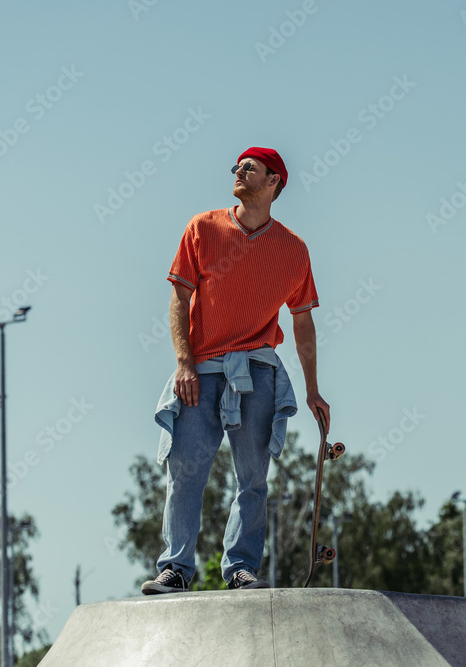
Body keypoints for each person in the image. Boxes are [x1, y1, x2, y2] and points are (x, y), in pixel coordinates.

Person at [142, 146, 330, 594]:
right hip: (200, 372)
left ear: (274, 183)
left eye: (252, 168)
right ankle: (176, 569)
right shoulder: (202, 228)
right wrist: (184, 363)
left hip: (257, 372)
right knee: (185, 472)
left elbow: (302, 321)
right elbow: (179, 299)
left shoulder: (293, 249)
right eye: (238, 166)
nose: (240, 171)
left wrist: (313, 390)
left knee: (253, 480)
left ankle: (240, 569)